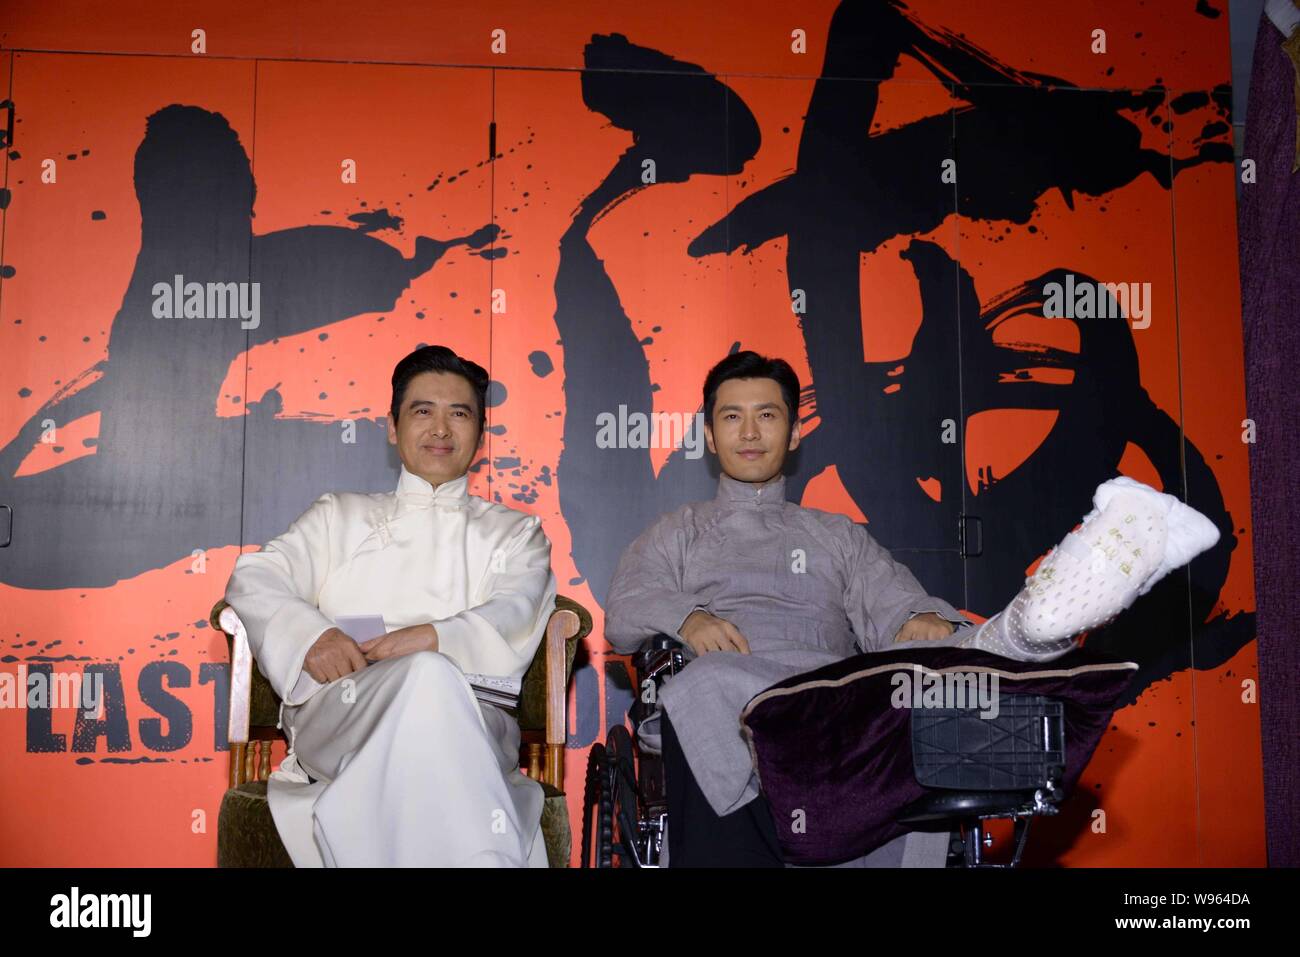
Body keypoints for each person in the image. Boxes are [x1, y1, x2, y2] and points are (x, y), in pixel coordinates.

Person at [604, 351, 1219, 867]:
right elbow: (627, 607)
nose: (748, 432)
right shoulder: (678, 530)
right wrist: (688, 619)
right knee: (705, 683)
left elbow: (893, 600)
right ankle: (1019, 635)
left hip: (829, 700)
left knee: (926, 673)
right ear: (709, 435)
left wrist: (921, 624)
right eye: (731, 417)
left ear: (793, 433)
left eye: (767, 415)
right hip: (737, 691)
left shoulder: (834, 533)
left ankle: (1027, 630)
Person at [224, 345, 557, 867]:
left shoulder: (517, 533)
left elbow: (515, 611)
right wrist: (310, 635)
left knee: (428, 676)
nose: (441, 429)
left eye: (460, 413)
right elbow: (255, 575)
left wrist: (430, 639)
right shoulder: (339, 516)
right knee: (425, 677)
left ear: (481, 434)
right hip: (345, 710)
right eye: (423, 411)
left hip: (474, 716)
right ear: (391, 426)